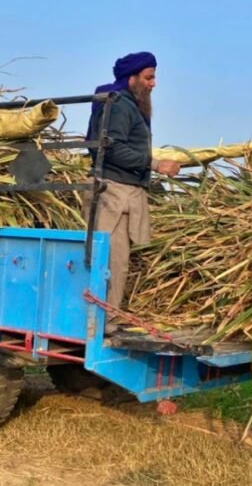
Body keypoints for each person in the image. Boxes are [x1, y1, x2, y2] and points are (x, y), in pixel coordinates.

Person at [84, 52, 180, 326]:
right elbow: (112, 149)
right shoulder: (119, 105)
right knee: (111, 261)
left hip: (123, 190)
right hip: (114, 193)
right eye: (149, 78)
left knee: (119, 261)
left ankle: (108, 316)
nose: (153, 84)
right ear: (133, 78)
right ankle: (102, 320)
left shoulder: (127, 104)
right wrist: (156, 163)